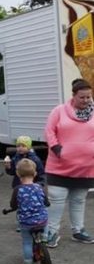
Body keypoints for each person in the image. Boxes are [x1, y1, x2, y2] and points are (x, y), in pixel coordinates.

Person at [44, 78, 94, 247]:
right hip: (59, 166)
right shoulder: (59, 111)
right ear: (73, 96)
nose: (86, 100)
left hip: (85, 167)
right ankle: (51, 233)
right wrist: (57, 148)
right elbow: (49, 131)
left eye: (88, 97)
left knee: (78, 200)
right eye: (82, 97)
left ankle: (78, 230)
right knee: (56, 200)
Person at [7, 158, 49, 264]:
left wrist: (13, 207)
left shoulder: (18, 189)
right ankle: (45, 237)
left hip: (27, 222)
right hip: (41, 221)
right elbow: (46, 202)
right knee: (45, 214)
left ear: (18, 174)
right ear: (35, 173)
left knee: (27, 242)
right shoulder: (39, 187)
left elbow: (13, 205)